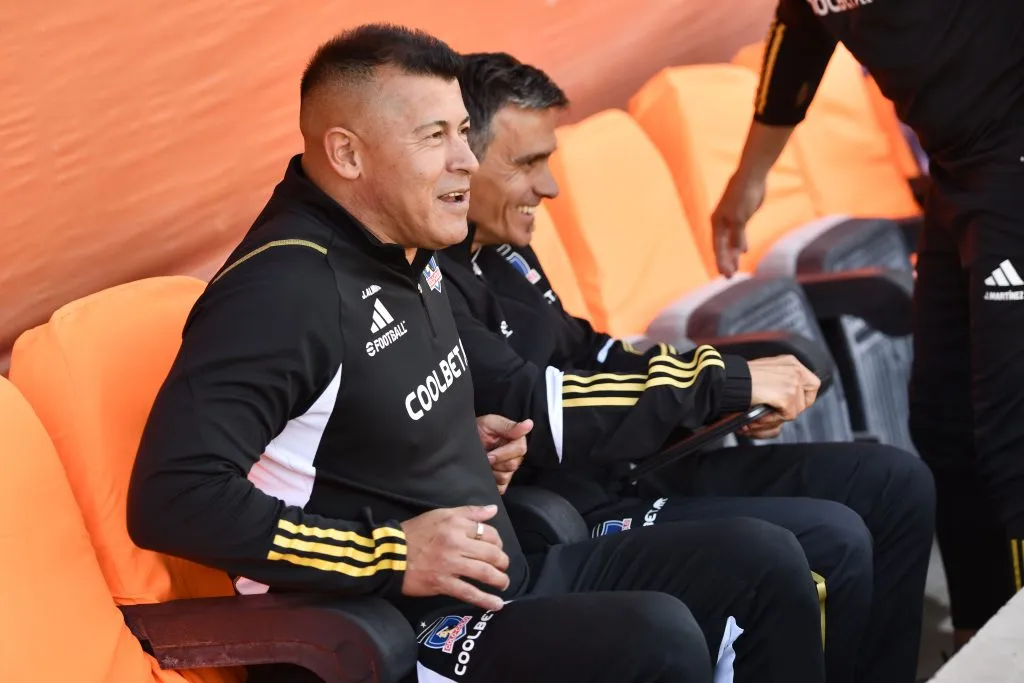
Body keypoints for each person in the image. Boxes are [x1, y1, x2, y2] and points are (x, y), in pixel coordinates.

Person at [125, 24, 830, 683]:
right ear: (347, 154)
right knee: (656, 635)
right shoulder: (282, 290)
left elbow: (349, 431)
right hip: (394, 633)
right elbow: (174, 497)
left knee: (762, 562)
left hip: (497, 582)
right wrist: (391, 551)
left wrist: (458, 443)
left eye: (463, 131)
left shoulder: (405, 244)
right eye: (434, 136)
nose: (465, 159)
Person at [439, 51, 936, 683]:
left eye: (548, 160)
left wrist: (735, 378)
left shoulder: (504, 250)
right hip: (575, 508)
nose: (550, 186)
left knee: (895, 482)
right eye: (527, 164)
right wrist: (721, 383)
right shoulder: (431, 284)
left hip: (645, 463)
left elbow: (593, 352)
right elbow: (539, 406)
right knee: (831, 539)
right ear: (461, 157)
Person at [710, 0, 1024, 650]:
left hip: (1011, 163)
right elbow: (798, 42)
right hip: (958, 174)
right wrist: (749, 177)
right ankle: (983, 638)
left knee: (1011, 431)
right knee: (943, 422)